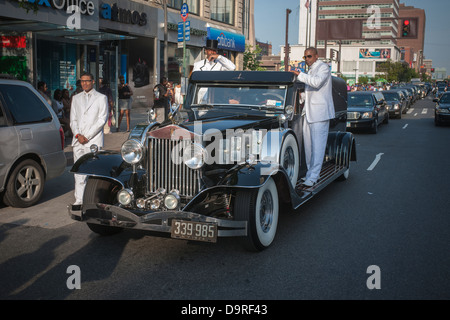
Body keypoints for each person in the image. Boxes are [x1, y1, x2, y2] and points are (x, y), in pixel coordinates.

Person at [290, 47, 335, 188]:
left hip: (320, 114)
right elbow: (312, 91)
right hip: (309, 113)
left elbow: (316, 83)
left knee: (318, 147)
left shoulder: (323, 68)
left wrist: (299, 74)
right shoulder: (311, 70)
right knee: (309, 147)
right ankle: (311, 174)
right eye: (305, 57)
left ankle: (314, 176)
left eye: (309, 56)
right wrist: (302, 97)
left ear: (316, 56)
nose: (307, 59)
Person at [69, 72, 108, 210]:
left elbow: (102, 120)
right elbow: (73, 119)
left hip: (93, 140)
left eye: (87, 81)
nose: (84, 83)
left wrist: (87, 136)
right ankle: (79, 199)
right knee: (79, 172)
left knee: (93, 171)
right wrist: (78, 134)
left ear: (93, 82)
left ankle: (93, 199)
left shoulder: (101, 98)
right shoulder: (76, 98)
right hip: (78, 140)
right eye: (82, 81)